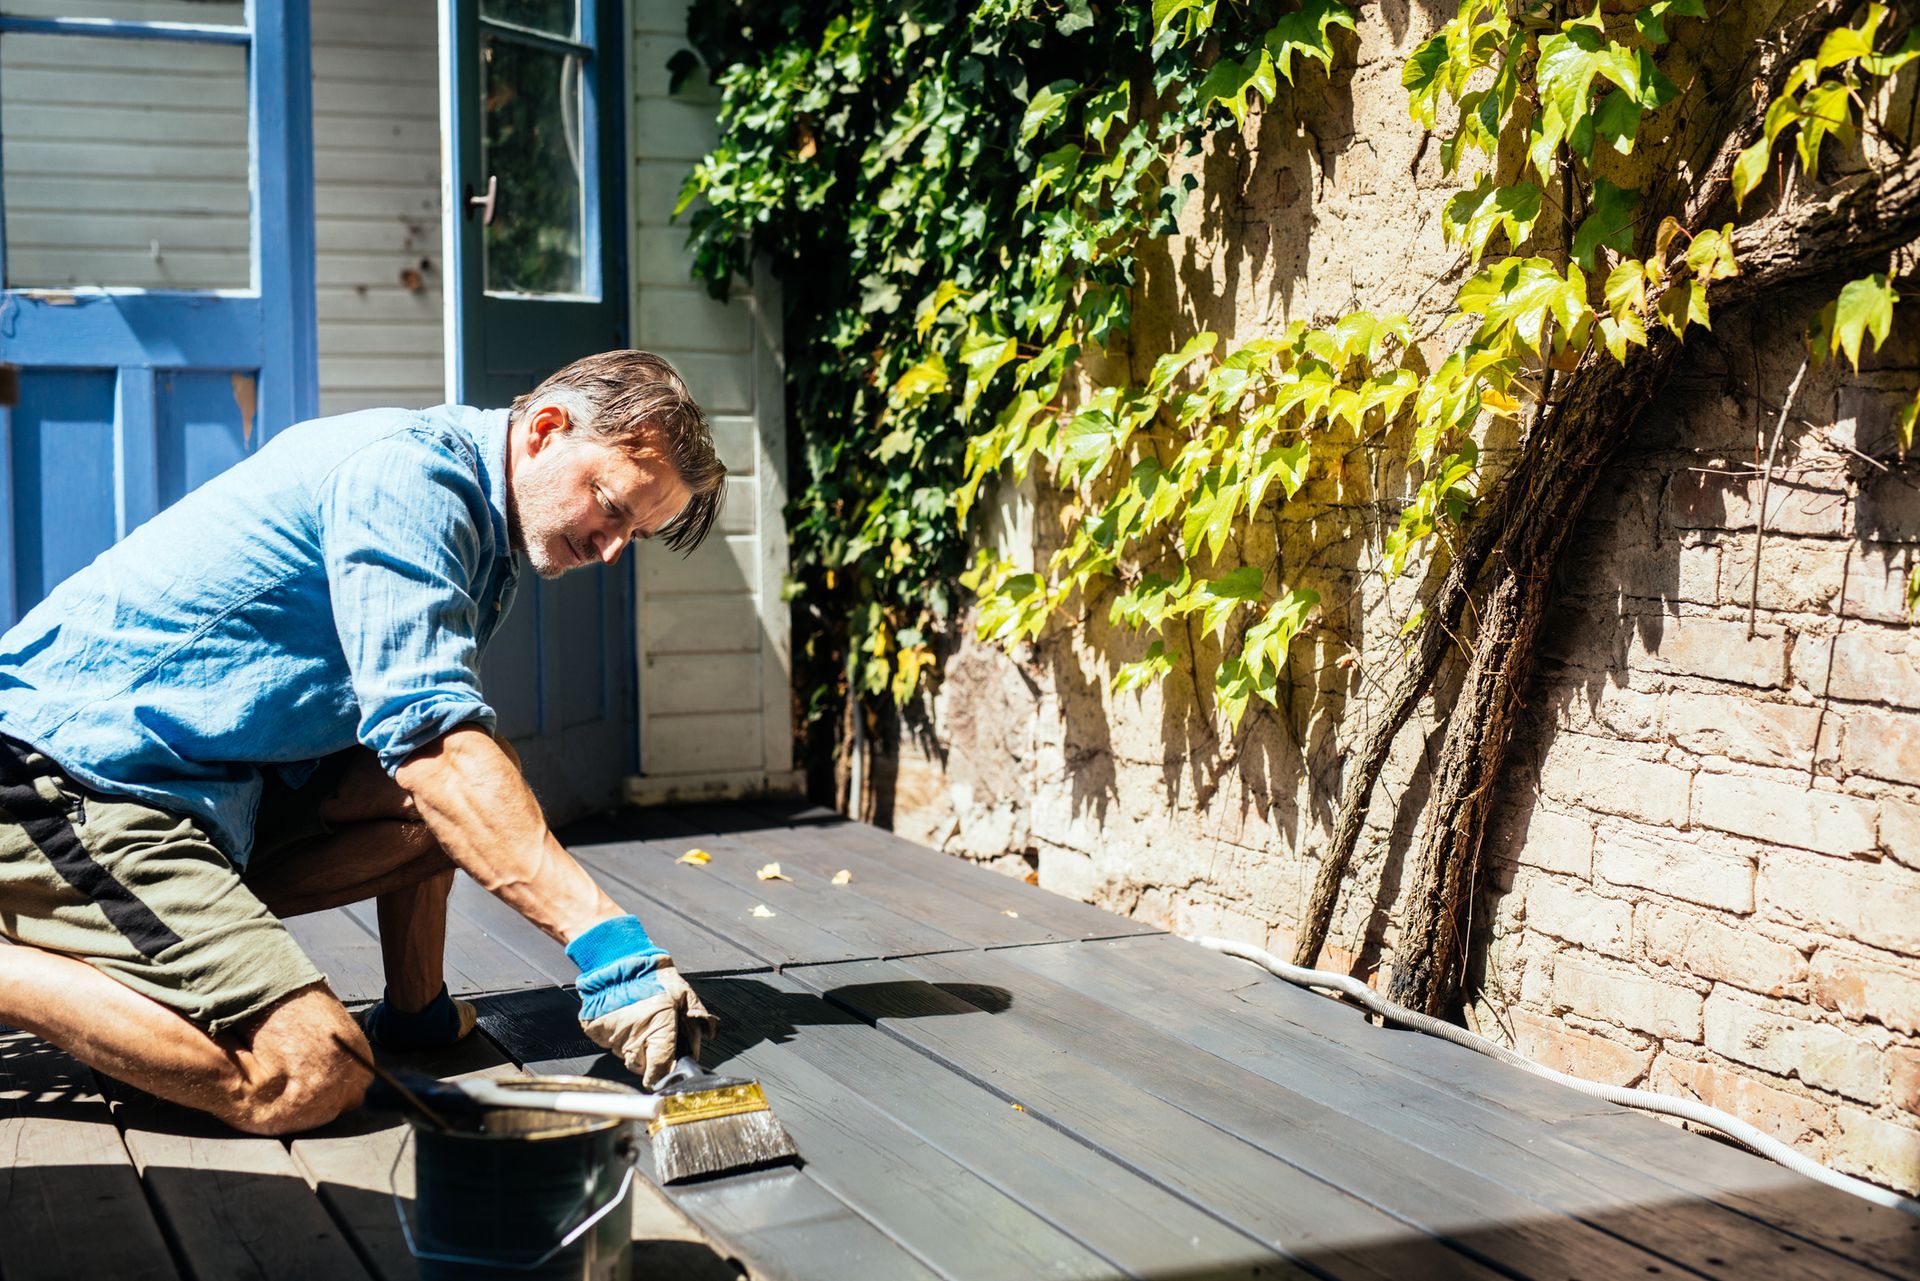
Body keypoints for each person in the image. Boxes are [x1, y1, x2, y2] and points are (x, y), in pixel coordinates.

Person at [0, 349, 722, 1134]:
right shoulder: (406, 480)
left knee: (467, 781)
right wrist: (612, 948)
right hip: (66, 781)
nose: (613, 548)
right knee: (311, 1071)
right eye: (611, 507)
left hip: (200, 788)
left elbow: (430, 763)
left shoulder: (484, 531)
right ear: (547, 429)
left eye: (636, 535)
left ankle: (413, 1012)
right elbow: (436, 751)